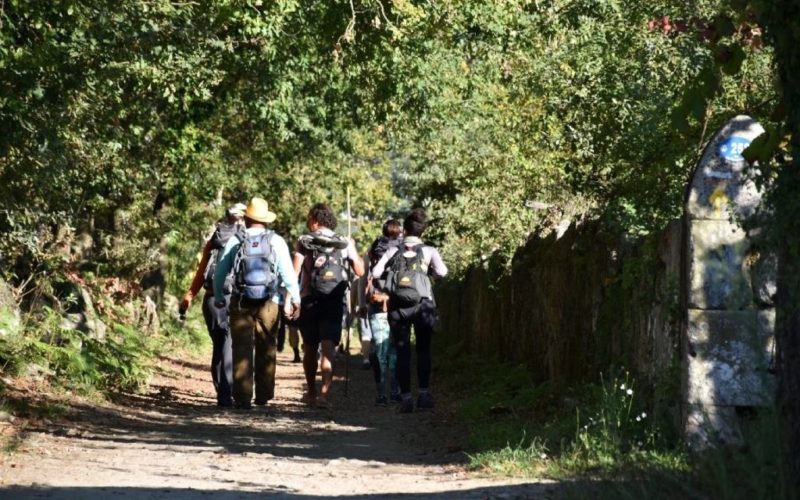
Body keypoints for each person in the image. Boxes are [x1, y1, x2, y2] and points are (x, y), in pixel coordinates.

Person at [213, 197, 301, 410]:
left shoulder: (236, 240)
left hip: (241, 300)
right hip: (269, 302)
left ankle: (242, 398)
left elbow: (220, 272)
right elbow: (288, 274)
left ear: (248, 218)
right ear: (265, 220)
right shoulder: (276, 241)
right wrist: (295, 298)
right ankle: (263, 394)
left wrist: (218, 296)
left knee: (241, 348)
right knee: (267, 346)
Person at [371, 209, 448, 413]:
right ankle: (423, 395)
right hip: (424, 305)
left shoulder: (393, 251)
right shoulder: (430, 250)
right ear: (422, 232)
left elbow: (376, 272)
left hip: (397, 307)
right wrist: (428, 273)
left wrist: (392, 275)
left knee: (402, 351)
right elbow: (442, 272)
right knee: (423, 350)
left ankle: (405, 398)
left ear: (404, 231)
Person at [293, 203, 364, 408]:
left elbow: (294, 271)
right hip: (334, 301)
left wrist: (291, 298)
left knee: (309, 348)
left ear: (315, 220)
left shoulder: (305, 241)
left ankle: (311, 394)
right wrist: (353, 251)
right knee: (328, 349)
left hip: (309, 299)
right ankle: (325, 395)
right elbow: (359, 271)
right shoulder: (344, 242)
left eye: (309, 219)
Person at [179, 203, 246, 408]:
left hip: (211, 298)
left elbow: (202, 271)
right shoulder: (248, 238)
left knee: (220, 343)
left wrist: (189, 295)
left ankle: (222, 390)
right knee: (231, 343)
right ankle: (228, 393)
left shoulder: (215, 239)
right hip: (238, 297)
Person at [364, 219, 402, 405]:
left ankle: (381, 394)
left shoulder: (376, 247)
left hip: (377, 303)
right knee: (395, 349)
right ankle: (396, 391)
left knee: (380, 350)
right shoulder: (404, 249)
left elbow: (368, 274)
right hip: (399, 304)